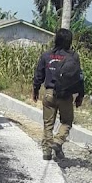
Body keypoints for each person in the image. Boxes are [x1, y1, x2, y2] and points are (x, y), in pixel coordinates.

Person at [33, 28, 84, 160]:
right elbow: (79, 77)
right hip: (66, 95)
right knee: (67, 121)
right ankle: (58, 140)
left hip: (49, 94)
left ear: (56, 39)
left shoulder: (46, 55)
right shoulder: (73, 56)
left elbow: (39, 75)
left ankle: (47, 152)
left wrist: (35, 90)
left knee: (48, 124)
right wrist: (80, 95)